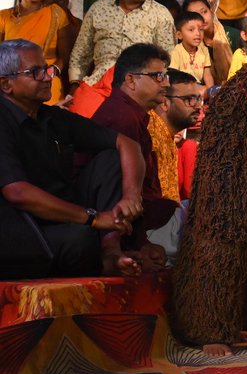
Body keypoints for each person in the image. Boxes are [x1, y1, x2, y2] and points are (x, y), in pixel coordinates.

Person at [0, 39, 145, 279]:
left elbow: (127, 144)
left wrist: (131, 197)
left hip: (67, 215)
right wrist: (94, 219)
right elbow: (17, 192)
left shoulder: (51, 117)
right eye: (36, 72)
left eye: (49, 69)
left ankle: (111, 252)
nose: (49, 77)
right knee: (81, 239)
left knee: (111, 159)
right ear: (6, 85)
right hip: (22, 228)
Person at [90, 43, 179, 265]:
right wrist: (137, 244)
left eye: (166, 76)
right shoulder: (122, 116)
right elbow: (119, 189)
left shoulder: (136, 115)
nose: (166, 83)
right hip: (109, 222)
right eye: (158, 76)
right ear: (130, 80)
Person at [69, 0, 175, 87]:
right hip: (98, 85)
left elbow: (168, 61)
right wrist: (74, 86)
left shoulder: (161, 14)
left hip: (139, 88)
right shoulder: (98, 9)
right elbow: (80, 54)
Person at [0, 0, 73, 103]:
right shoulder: (4, 17)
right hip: (15, 82)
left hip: (47, 79)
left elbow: (66, 56)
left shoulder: (56, 13)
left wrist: (51, 72)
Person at [153, 68, 204, 202]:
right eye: (190, 99)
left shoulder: (167, 137)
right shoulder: (150, 137)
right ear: (165, 103)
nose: (199, 106)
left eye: (199, 99)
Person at [182, 0, 233, 82]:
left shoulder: (232, 35)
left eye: (204, 12)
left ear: (212, 11)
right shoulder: (185, 47)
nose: (202, 18)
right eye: (195, 15)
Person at [169, 11, 214, 87]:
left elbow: (207, 76)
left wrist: (211, 92)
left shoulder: (204, 50)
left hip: (199, 87)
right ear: (179, 35)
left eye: (201, 29)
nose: (198, 33)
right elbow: (173, 78)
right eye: (191, 30)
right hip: (182, 87)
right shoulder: (175, 52)